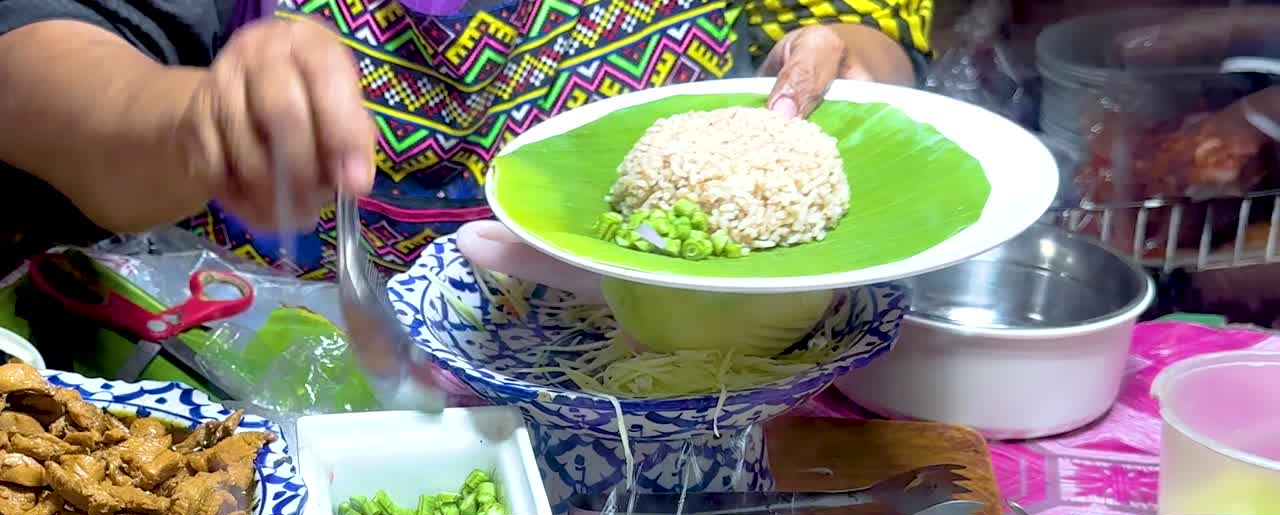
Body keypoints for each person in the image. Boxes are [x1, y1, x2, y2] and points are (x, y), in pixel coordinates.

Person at [0, 0, 933, 279]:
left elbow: (871, 43)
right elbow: (36, 61)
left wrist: (851, 67)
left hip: (689, 393)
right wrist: (191, 118)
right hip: (304, 406)